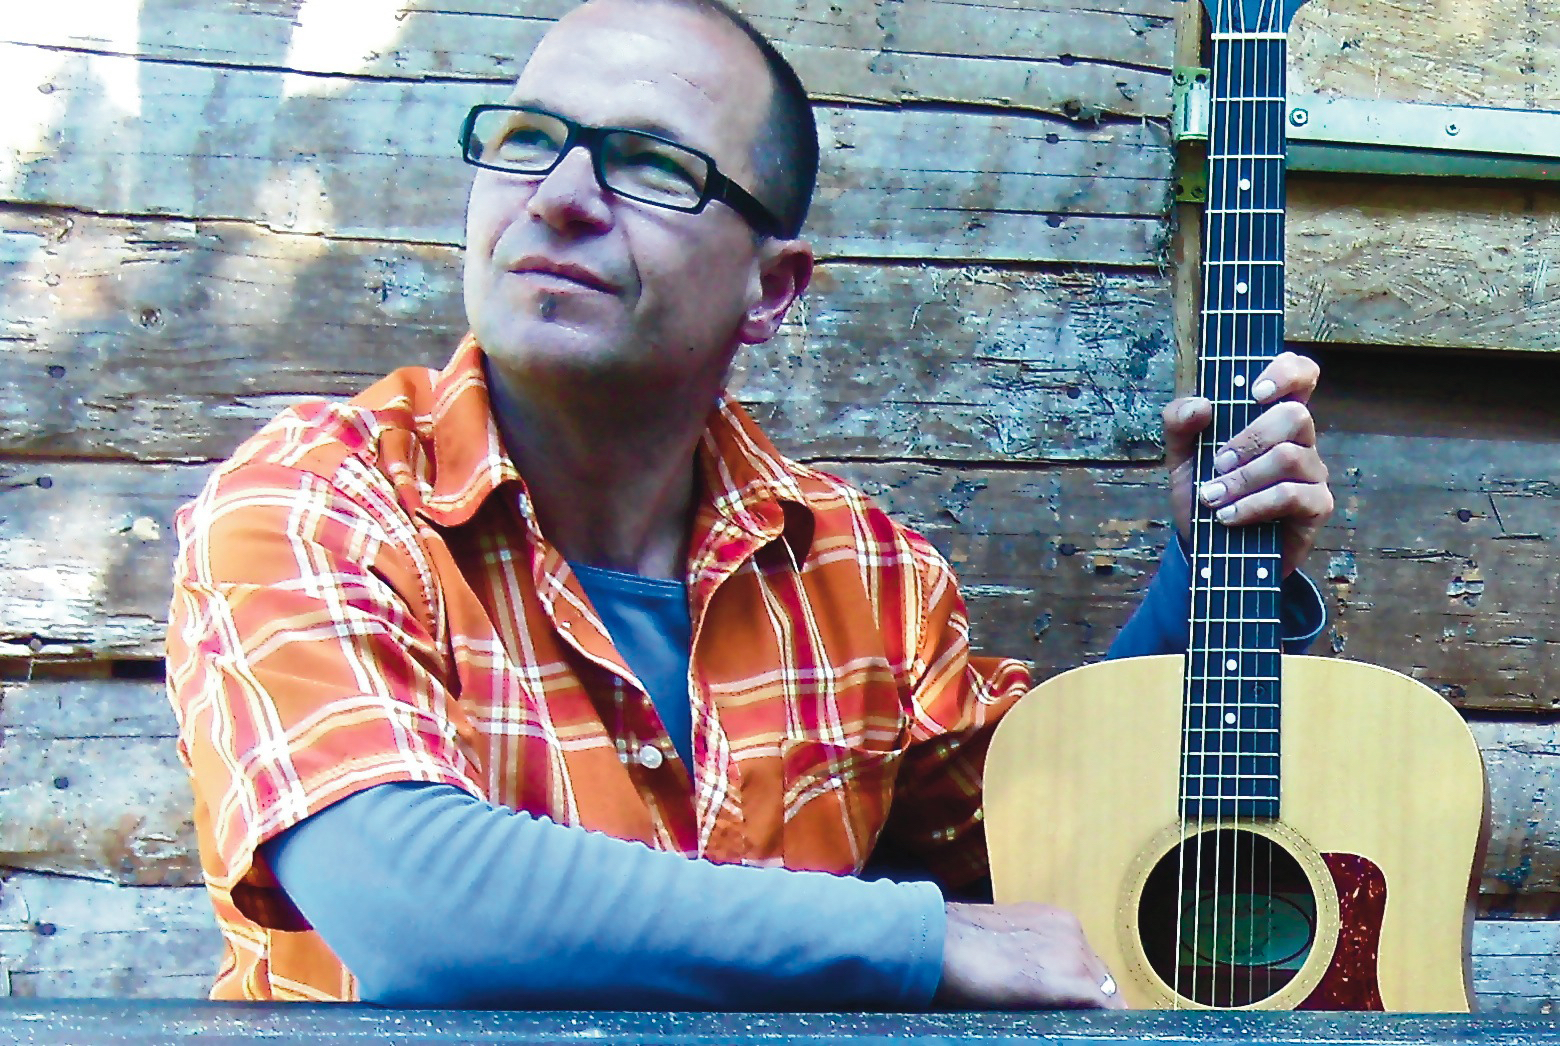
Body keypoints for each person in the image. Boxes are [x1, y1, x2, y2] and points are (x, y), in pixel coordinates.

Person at [165, 0, 1333, 1011]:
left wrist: (1211, 562)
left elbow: (1053, 839)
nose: (560, 197)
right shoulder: (314, 498)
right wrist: (920, 940)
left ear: (770, 288)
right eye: (528, 141)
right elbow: (409, 902)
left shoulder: (863, 577)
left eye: (650, 164)